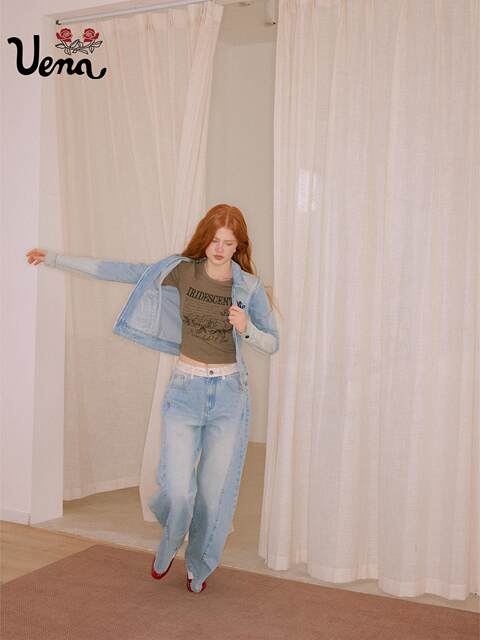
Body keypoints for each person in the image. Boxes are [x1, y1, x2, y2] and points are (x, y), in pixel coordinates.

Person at [26, 203, 279, 594]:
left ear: (239, 246)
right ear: (204, 238)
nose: (219, 249)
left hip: (229, 397)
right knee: (179, 490)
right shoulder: (182, 270)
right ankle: (171, 538)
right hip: (186, 391)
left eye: (228, 243)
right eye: (214, 240)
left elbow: (272, 342)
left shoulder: (248, 287)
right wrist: (56, 259)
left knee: (212, 495)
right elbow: (122, 271)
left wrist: (247, 328)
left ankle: (198, 564)